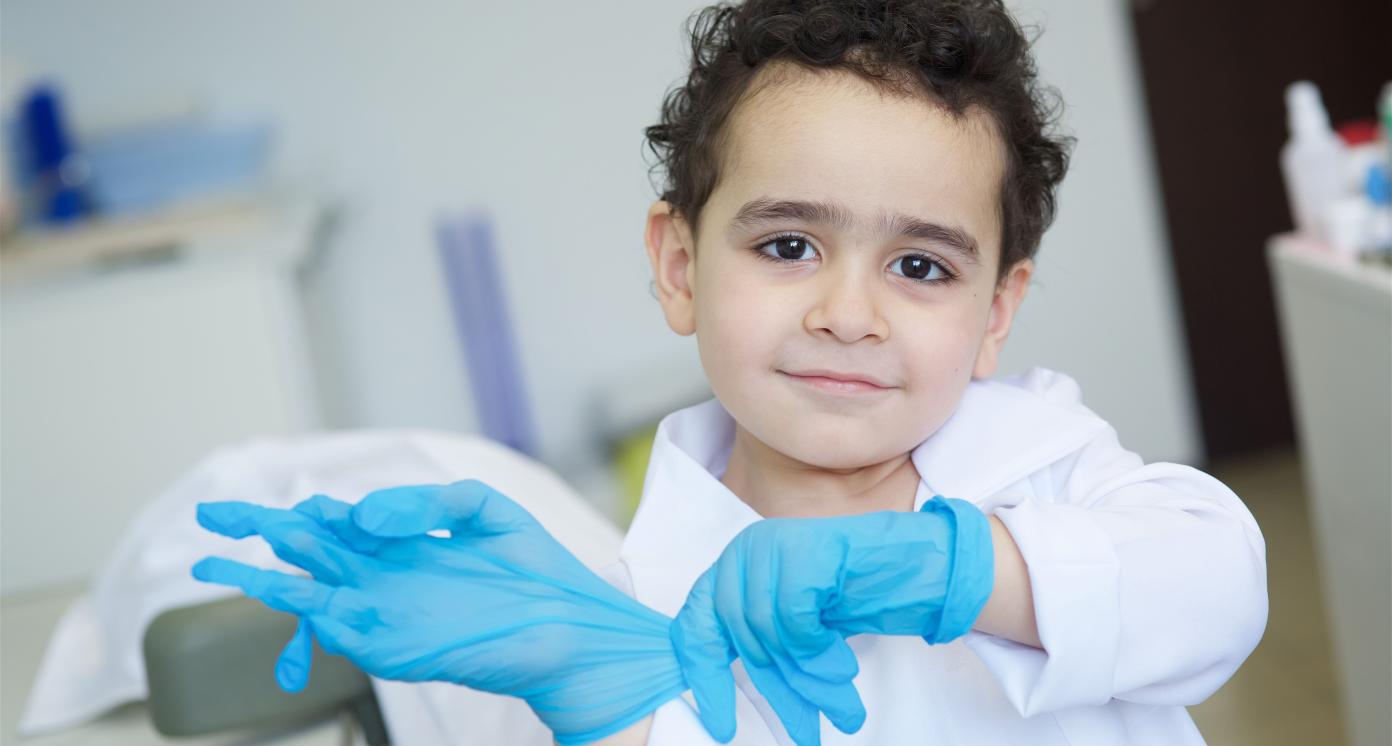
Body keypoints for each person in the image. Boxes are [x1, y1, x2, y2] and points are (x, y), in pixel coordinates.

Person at [192, 1, 1269, 744]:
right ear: (678, 267)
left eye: (920, 265)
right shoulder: (651, 596)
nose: (848, 314)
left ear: (996, 313)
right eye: (788, 245)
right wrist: (611, 696)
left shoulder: (1046, 466)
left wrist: (950, 568)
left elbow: (1216, 584)